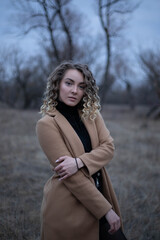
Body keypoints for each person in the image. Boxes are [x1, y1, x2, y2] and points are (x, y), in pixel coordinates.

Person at [36, 61, 127, 240]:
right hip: (68, 207)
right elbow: (71, 175)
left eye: (81, 86)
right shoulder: (46, 124)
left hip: (100, 193)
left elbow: (108, 148)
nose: (74, 91)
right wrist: (105, 210)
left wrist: (79, 162)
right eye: (69, 83)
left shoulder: (91, 113)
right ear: (57, 84)